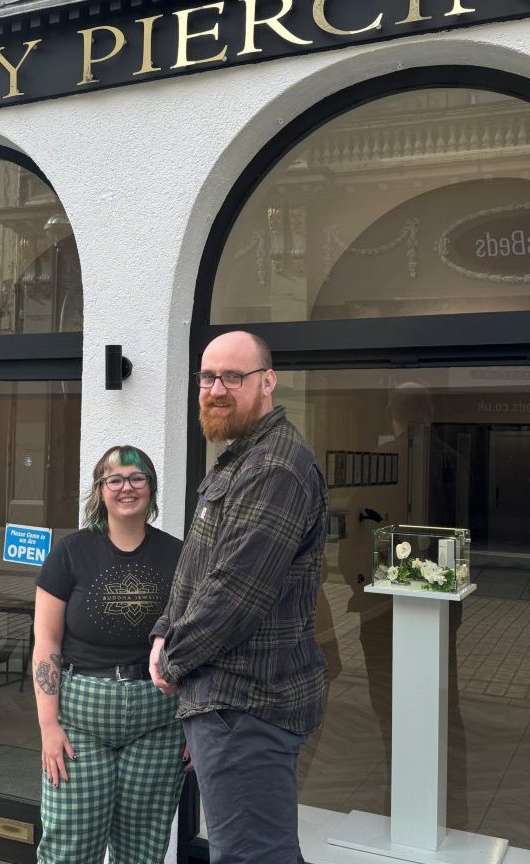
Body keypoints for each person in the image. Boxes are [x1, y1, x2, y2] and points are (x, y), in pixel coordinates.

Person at [149, 330, 328, 864]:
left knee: (252, 856)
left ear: (268, 381)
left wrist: (173, 657)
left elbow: (238, 591)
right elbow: (197, 567)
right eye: (208, 377)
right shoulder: (241, 458)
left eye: (233, 376)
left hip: (246, 703)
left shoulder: (275, 465)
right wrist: (163, 628)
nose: (216, 388)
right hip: (229, 704)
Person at [32, 445, 187, 864]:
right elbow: (46, 643)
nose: (126, 487)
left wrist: (194, 723)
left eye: (137, 478)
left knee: (143, 848)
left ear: (151, 488)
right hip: (81, 721)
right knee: (70, 846)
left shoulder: (179, 556)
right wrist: (48, 726)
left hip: (158, 723)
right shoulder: (69, 553)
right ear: (100, 490)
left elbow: (195, 641)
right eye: (114, 479)